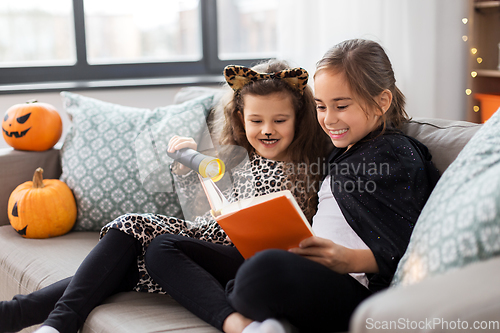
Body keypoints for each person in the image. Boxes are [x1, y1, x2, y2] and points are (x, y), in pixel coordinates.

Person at [0, 60, 330, 333]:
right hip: (212, 246)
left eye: (280, 121)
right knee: (124, 261)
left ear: (299, 122)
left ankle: (51, 322)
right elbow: (204, 209)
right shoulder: (242, 156)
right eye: (256, 120)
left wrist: (202, 183)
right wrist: (188, 170)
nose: (267, 129)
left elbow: (253, 219)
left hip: (254, 260)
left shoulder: (302, 167)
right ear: (241, 120)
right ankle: (27, 317)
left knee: (136, 229)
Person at [143, 39, 441, 333]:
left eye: (341, 106)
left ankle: (250, 308)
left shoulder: (395, 153)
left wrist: (348, 258)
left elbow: (415, 247)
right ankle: (246, 326)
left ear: (382, 102)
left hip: (353, 290)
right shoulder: (341, 149)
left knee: (259, 273)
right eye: (321, 107)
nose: (328, 119)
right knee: (162, 248)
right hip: (306, 268)